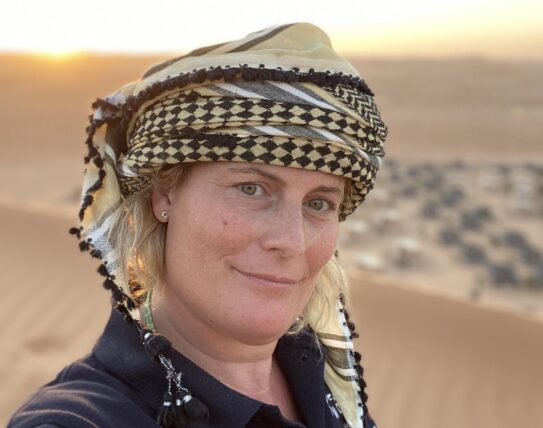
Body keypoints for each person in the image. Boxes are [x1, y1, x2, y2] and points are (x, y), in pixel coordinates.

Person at [9, 22, 387, 428]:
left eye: (318, 203)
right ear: (164, 195)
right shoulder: (83, 420)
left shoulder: (329, 380)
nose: (292, 241)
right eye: (251, 189)